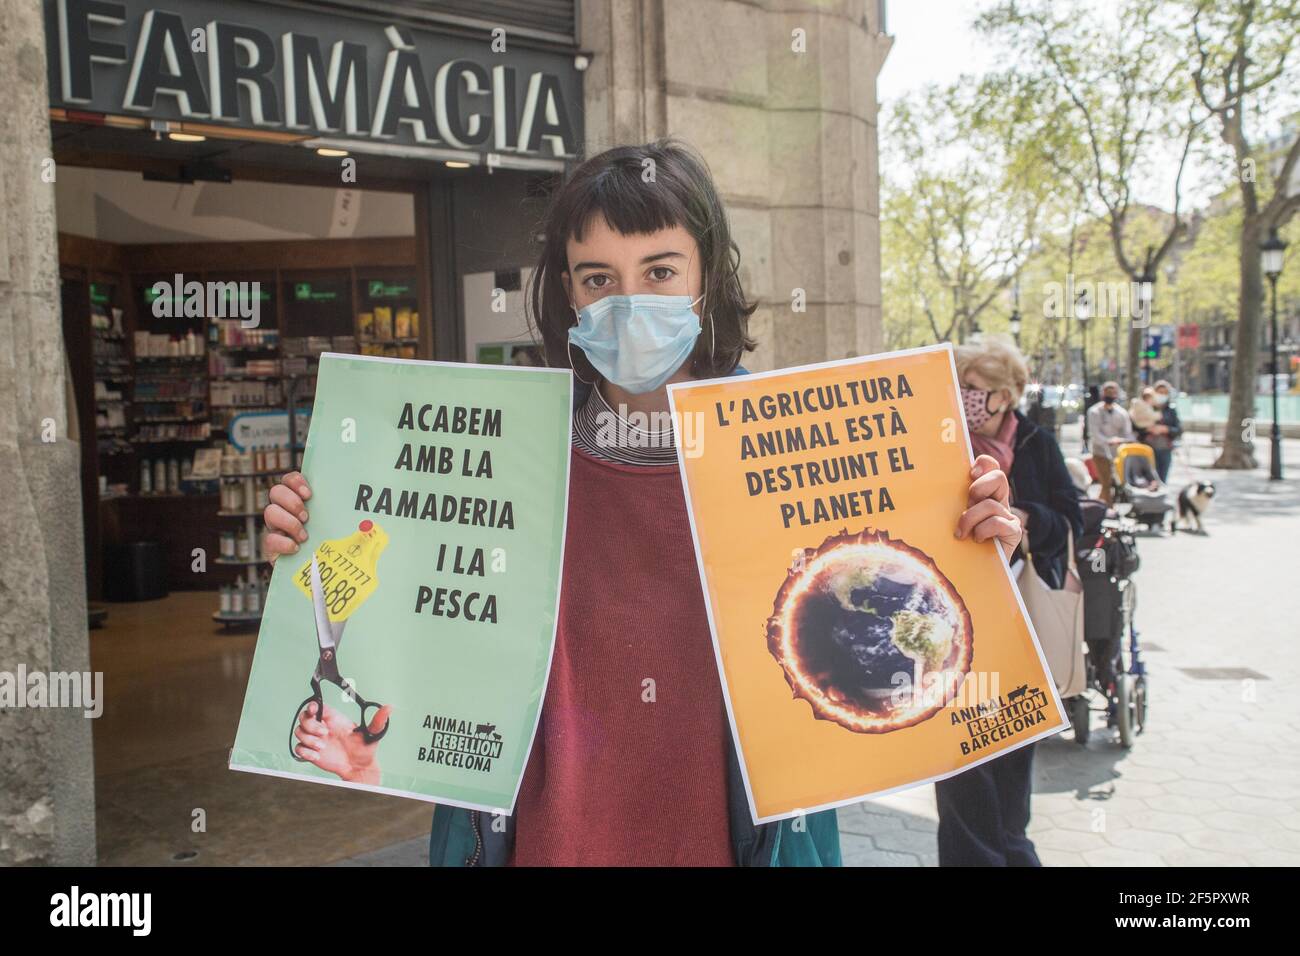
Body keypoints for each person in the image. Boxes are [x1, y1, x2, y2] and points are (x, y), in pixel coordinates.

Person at [262, 139, 1024, 867]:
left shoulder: (799, 457)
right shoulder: (502, 458)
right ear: (567, 290)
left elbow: (895, 648)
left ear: (706, 276)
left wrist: (977, 548)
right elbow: (413, 641)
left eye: (660, 271)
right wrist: (315, 536)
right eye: (597, 278)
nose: (628, 302)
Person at [936, 335, 1083, 867]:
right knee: (961, 780)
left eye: (974, 388)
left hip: (1020, 632)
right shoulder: (940, 439)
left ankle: (1013, 852)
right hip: (952, 637)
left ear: (1006, 395)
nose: (965, 397)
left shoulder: (1037, 444)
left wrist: (1023, 521)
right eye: (960, 387)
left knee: (1011, 774)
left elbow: (1073, 518)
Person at [1086, 380, 1134, 505]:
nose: (1111, 395)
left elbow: (1127, 433)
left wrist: (1121, 441)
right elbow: (1094, 433)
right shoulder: (1094, 411)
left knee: (1113, 484)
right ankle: (1108, 508)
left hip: (1118, 454)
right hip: (1100, 452)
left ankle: (1098, 506)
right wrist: (1108, 441)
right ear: (1103, 393)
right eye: (1108, 392)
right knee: (1106, 483)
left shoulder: (1122, 413)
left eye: (1113, 392)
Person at [1140, 380, 1182, 482]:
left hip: (1165, 449)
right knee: (1148, 480)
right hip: (1147, 449)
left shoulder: (1171, 409)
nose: (1162, 395)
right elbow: (1135, 426)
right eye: (1159, 392)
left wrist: (1166, 429)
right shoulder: (1145, 407)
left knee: (1162, 480)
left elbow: (1178, 430)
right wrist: (1148, 429)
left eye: (1164, 393)